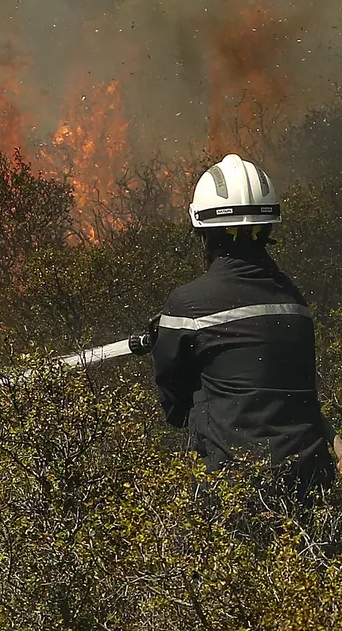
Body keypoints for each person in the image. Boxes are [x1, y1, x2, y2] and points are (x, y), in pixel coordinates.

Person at [146, 153, 341, 510]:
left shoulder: (188, 302)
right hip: (312, 483)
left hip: (235, 488)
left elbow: (174, 405)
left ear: (203, 233)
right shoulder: (295, 301)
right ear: (267, 229)